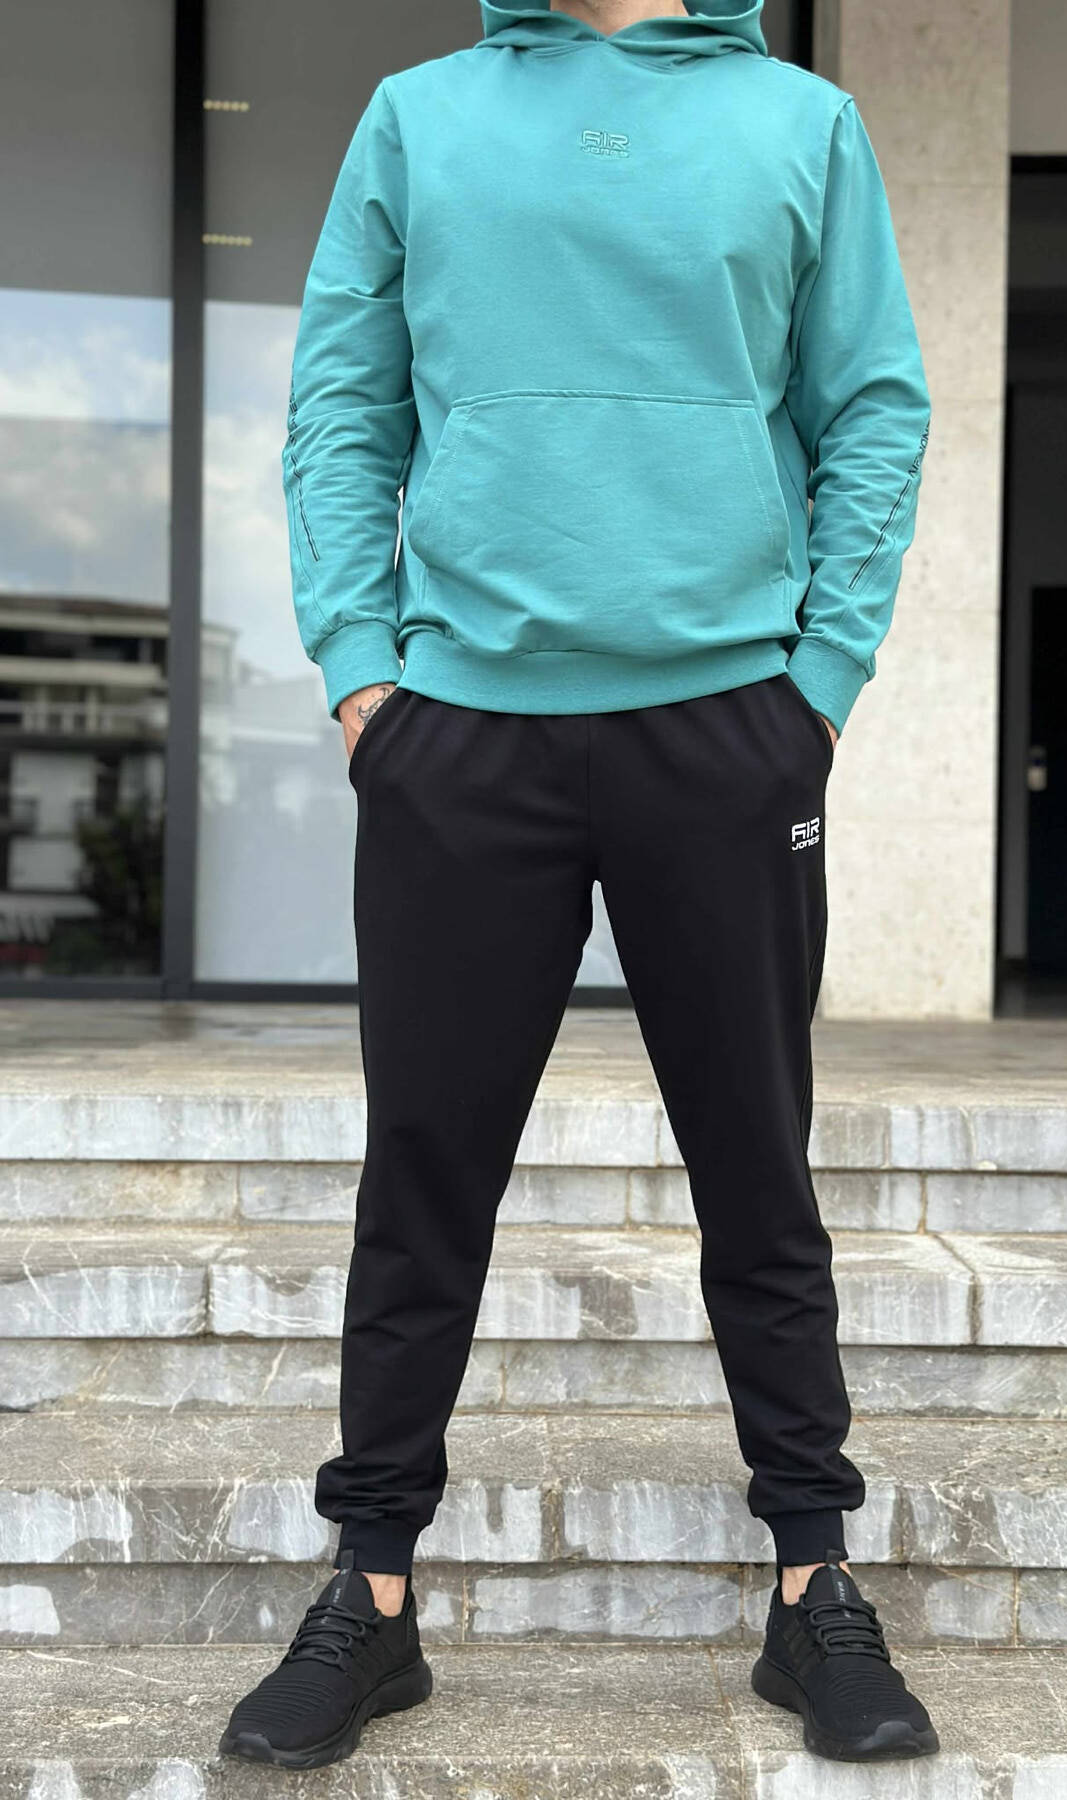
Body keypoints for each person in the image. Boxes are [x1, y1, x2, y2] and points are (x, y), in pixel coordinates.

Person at [220, 0, 936, 1769]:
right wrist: (363, 671)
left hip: (728, 726)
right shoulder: (418, 115)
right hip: (463, 733)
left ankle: (814, 1587)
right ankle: (371, 1595)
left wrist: (818, 684)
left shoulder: (801, 124)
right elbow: (342, 405)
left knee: (757, 1164)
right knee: (423, 1175)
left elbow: (872, 402)